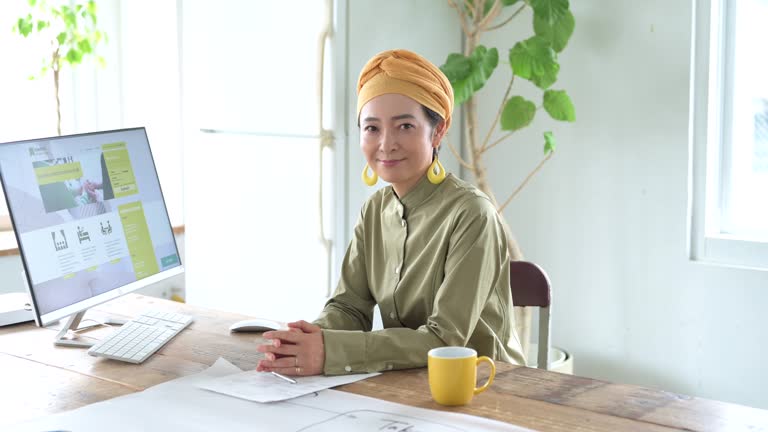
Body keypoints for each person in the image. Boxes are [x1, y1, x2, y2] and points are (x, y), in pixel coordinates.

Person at [256, 49, 526, 376]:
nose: (386, 144)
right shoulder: (374, 210)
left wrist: (331, 351)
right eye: (372, 128)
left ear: (437, 131)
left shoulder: (472, 214)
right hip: (409, 381)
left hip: (486, 389)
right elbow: (349, 307)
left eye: (405, 126)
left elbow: (445, 339)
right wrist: (311, 337)